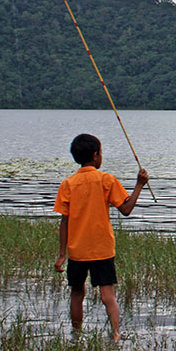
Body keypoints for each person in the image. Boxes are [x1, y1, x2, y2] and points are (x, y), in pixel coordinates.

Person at [53, 133, 149, 340]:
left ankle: (76, 335)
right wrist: (139, 185)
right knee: (108, 296)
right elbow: (126, 209)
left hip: (77, 251)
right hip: (102, 249)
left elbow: (64, 221)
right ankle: (116, 334)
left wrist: (62, 254)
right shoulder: (106, 180)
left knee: (77, 294)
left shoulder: (68, 184)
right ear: (96, 156)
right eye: (101, 153)